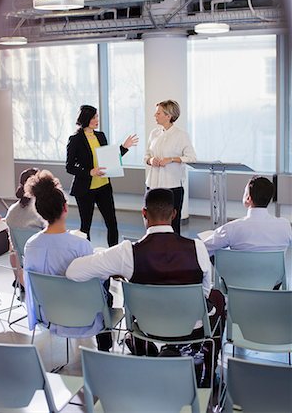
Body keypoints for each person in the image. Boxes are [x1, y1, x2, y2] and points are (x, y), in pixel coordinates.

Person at [66, 188, 225, 387]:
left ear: (144, 213)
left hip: (146, 327)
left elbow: (73, 271)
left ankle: (145, 353)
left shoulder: (127, 253)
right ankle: (208, 370)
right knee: (217, 297)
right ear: (174, 214)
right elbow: (203, 293)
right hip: (190, 328)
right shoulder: (198, 248)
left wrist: (114, 271)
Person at [23, 169, 110, 350]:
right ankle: (104, 347)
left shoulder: (30, 245)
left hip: (50, 315)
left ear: (39, 211)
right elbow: (95, 283)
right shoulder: (80, 244)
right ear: (65, 208)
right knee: (106, 284)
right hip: (84, 317)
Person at [66, 104, 138, 247]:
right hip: (85, 189)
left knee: (112, 223)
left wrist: (124, 147)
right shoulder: (75, 139)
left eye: (97, 116)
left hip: (103, 187)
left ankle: (114, 252)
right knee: (85, 226)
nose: (97, 119)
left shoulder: (100, 135)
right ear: (86, 119)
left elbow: (109, 158)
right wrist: (89, 172)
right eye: (94, 117)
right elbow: (69, 166)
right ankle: (85, 254)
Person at [144, 100, 197, 235]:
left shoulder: (181, 135)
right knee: (150, 222)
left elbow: (191, 158)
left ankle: (174, 252)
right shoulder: (154, 134)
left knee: (173, 224)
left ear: (168, 115)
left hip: (172, 186)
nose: (155, 116)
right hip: (153, 185)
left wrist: (172, 159)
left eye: (158, 113)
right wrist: (151, 160)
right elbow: (146, 156)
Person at [203, 176, 292, 254]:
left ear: (248, 198)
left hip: (239, 273)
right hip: (274, 273)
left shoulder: (232, 228)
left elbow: (204, 248)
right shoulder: (285, 225)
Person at [5, 167, 47, 289]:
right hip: (42, 261)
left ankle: (19, 281)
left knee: (13, 249)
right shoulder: (41, 212)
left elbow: (13, 248)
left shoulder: (11, 211)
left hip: (23, 262)